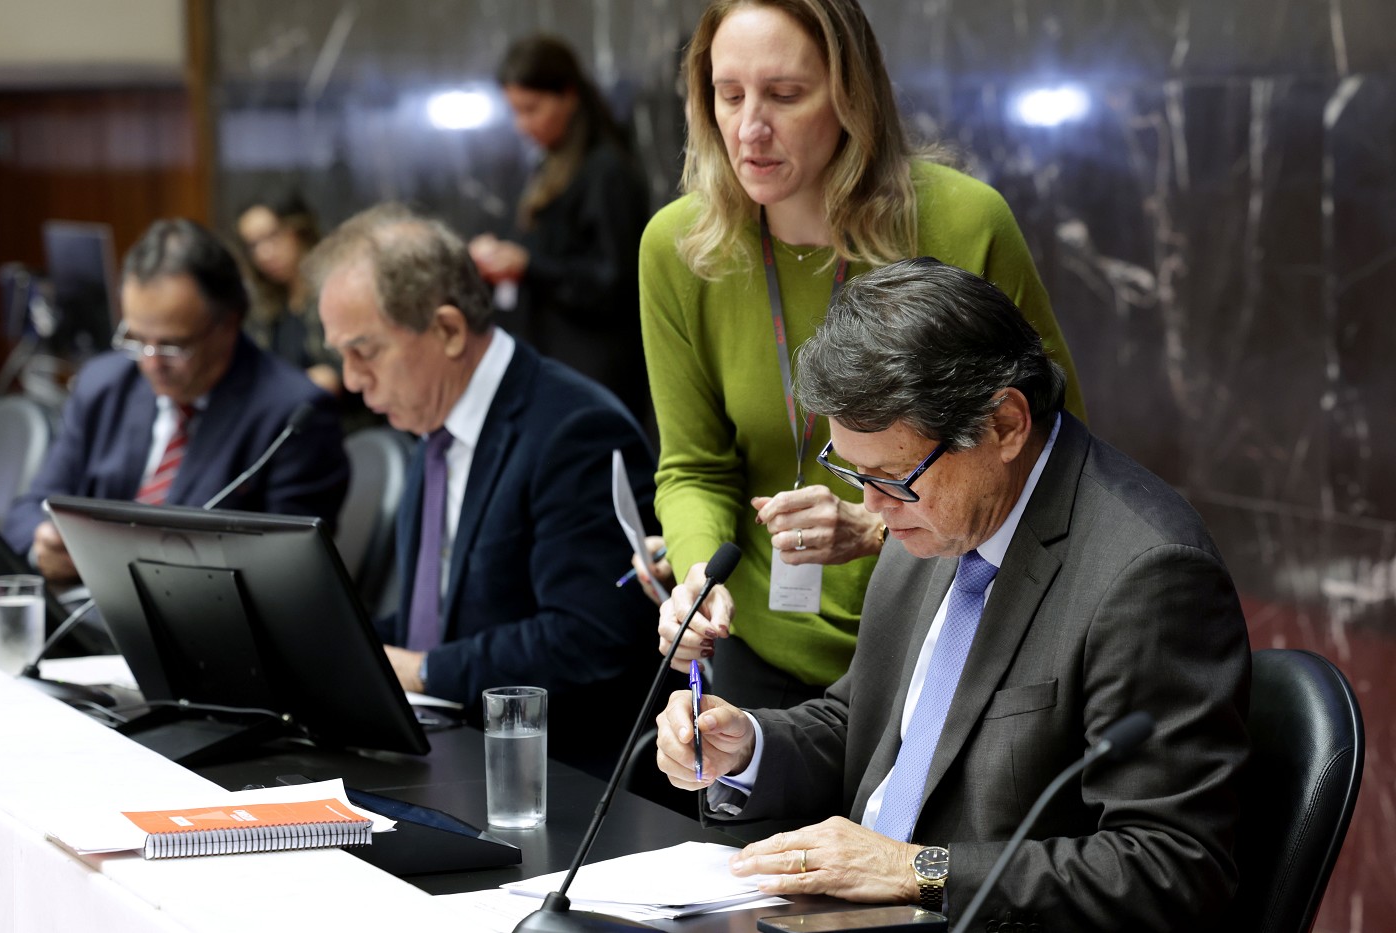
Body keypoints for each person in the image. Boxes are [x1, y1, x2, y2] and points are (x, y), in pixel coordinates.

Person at [653, 258, 1250, 930]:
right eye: (855, 474)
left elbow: (1169, 867)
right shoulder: (935, 515)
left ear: (1005, 425)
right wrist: (748, 747)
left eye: (892, 476)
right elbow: (870, 726)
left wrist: (916, 871)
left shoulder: (1148, 574)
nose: (872, 506)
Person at [639, 0, 1088, 710]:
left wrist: (877, 524)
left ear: (851, 97)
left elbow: (1052, 451)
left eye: (785, 94)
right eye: (729, 95)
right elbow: (694, 465)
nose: (750, 128)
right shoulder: (678, 248)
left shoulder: (963, 221)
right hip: (762, 645)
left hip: (945, 629)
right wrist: (698, 579)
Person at [310, 203, 658, 775]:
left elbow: (591, 635)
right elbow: (440, 622)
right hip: (441, 750)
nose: (350, 379)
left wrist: (422, 671)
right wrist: (337, 652)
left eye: (364, 352)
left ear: (448, 330)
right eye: (340, 356)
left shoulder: (575, 431)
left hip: (545, 775)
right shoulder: (434, 423)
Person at [4, 219, 350, 585]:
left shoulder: (295, 416)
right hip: (82, 603)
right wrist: (43, 543)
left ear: (228, 324)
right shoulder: (103, 383)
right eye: (137, 338)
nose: (151, 363)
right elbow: (28, 510)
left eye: (172, 345)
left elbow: (290, 574)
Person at [468, 35, 651, 425]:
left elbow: (614, 281)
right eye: (515, 111)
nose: (522, 125)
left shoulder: (606, 172)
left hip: (596, 376)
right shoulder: (548, 165)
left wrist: (529, 265)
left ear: (567, 96)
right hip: (552, 365)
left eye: (531, 109)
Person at [235, 189, 342, 397]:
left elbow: (336, 375)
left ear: (300, 230)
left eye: (272, 236)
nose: (264, 253)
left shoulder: (336, 291)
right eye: (253, 245)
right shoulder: (264, 307)